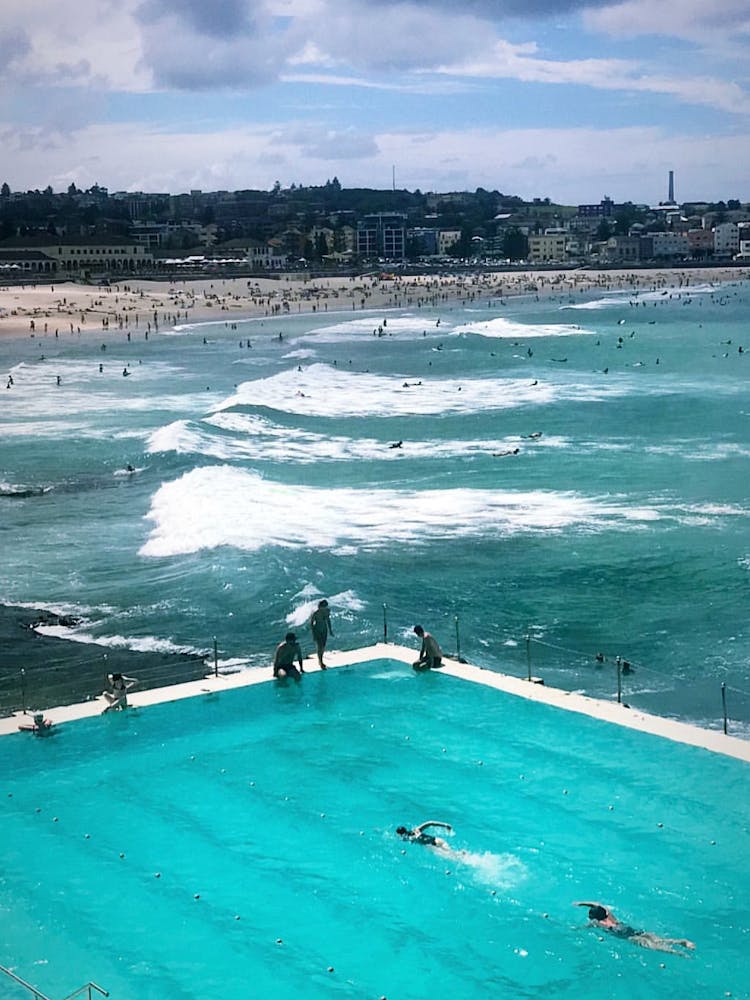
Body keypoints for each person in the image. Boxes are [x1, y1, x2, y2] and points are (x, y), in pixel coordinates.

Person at [574, 902, 695, 954]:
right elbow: (598, 904)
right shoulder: (610, 916)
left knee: (654, 946)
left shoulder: (597, 923)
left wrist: (576, 929)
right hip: (629, 929)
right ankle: (681, 942)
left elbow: (586, 926)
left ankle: (677, 953)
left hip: (628, 937)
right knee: (659, 940)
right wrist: (583, 904)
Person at [309, 599, 334, 669]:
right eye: (323, 606)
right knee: (319, 646)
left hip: (324, 629)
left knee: (323, 646)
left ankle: (320, 659)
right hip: (317, 630)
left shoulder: (327, 611)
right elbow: (311, 623)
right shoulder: (316, 613)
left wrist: (330, 630)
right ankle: (321, 661)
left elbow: (328, 620)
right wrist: (313, 634)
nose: (324, 608)